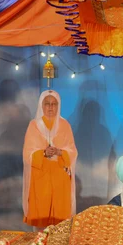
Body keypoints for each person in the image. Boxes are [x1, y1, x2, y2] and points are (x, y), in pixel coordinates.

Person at [23, 90, 78, 227]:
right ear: (41, 105)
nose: (50, 107)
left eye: (54, 104)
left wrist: (60, 152)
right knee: (41, 220)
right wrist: (43, 153)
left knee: (61, 222)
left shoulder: (65, 125)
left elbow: (73, 151)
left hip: (60, 176)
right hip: (40, 176)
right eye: (47, 104)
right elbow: (27, 154)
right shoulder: (34, 125)